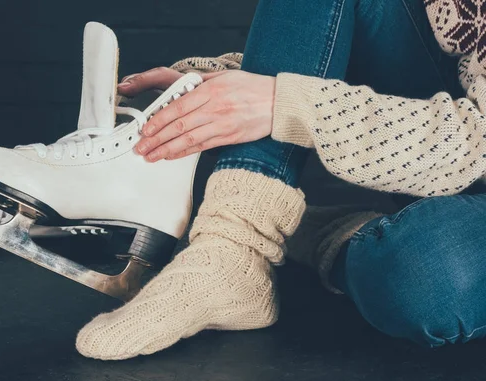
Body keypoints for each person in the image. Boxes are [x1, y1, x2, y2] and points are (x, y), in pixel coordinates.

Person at [75, 0, 486, 360]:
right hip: (440, 147)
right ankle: (232, 245)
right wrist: (230, 88)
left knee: (425, 280)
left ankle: (304, 230)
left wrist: (285, 102)